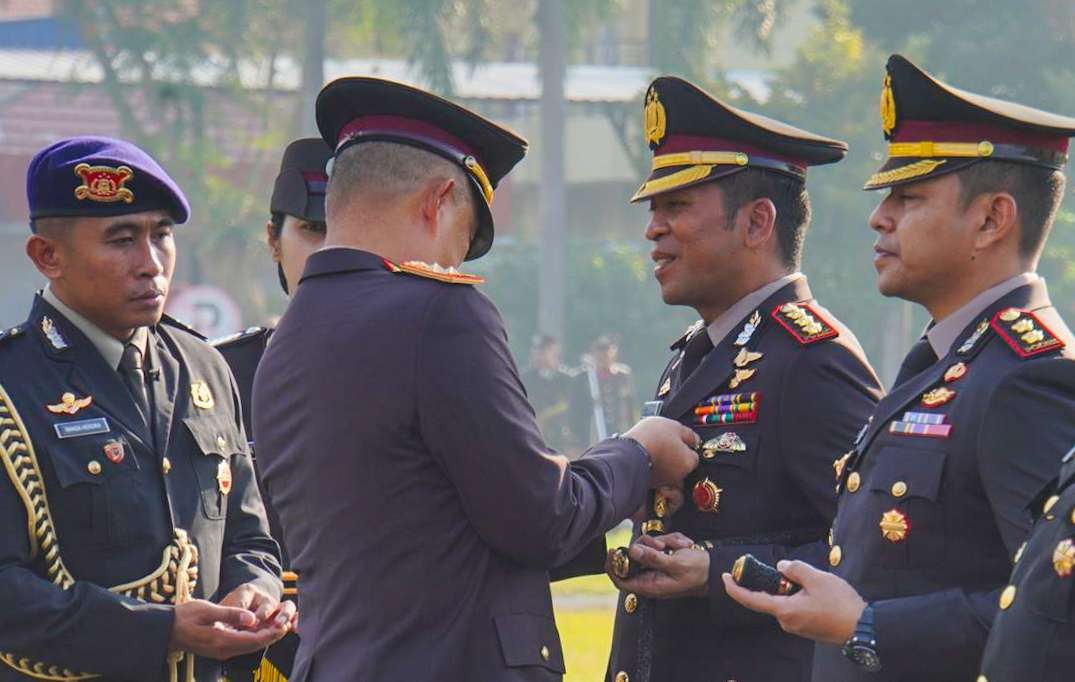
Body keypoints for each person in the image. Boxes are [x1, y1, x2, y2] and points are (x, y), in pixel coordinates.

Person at [251, 77, 701, 681]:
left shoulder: (285, 342)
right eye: (461, 242)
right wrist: (637, 453)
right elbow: (539, 517)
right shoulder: (438, 312)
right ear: (438, 202)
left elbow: (431, 530)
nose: (452, 265)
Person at [723, 54, 1075, 682]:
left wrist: (868, 626)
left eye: (909, 196)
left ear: (992, 219)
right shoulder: (943, 363)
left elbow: (1054, 613)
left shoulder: (1027, 378)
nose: (878, 217)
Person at [602, 75, 884, 682]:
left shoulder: (812, 359)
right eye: (654, 208)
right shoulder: (698, 352)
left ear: (758, 222)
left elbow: (868, 553)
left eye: (676, 206)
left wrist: (719, 571)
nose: (653, 228)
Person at [0, 136, 292, 681]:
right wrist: (160, 629)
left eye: (161, 236)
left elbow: (251, 536)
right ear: (48, 256)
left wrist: (255, 589)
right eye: (121, 240)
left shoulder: (204, 365)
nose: (151, 264)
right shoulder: (11, 384)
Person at [212, 137, 332, 682]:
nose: (334, 249)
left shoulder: (429, 368)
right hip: (258, 653)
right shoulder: (213, 378)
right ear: (273, 241)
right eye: (313, 229)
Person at [521, 334, 580, 453]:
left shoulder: (568, 379)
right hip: (534, 435)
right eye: (536, 352)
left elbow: (572, 407)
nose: (537, 356)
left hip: (562, 437)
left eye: (542, 352)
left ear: (554, 353)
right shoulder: (525, 378)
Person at [574, 334, 638, 442]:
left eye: (607, 349)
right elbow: (575, 409)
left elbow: (630, 407)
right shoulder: (583, 378)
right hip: (591, 436)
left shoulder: (622, 376)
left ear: (614, 351)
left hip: (619, 433)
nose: (603, 354)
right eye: (599, 350)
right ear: (593, 352)